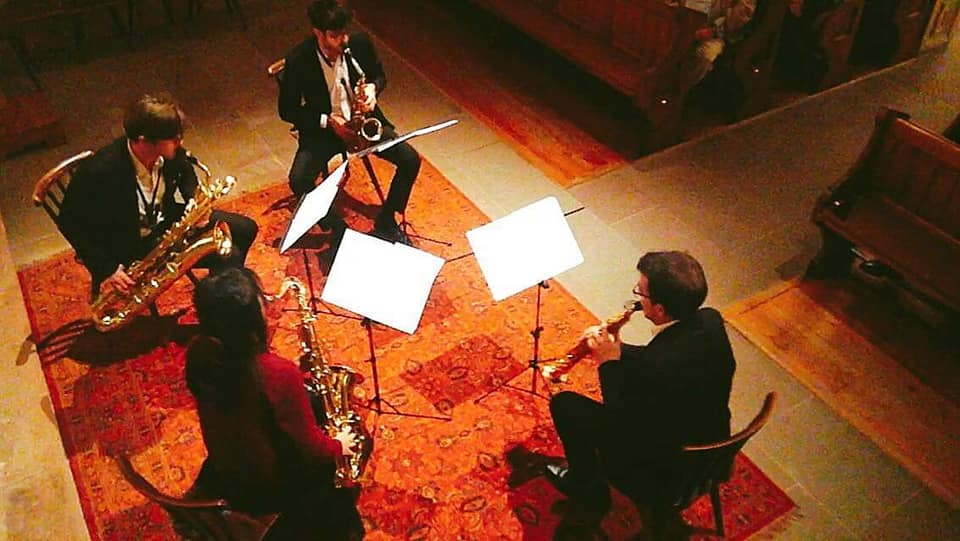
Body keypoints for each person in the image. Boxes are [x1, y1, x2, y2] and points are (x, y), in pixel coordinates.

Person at [545, 251, 736, 514]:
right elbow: (660, 356)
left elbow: (618, 416)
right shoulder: (710, 319)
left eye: (641, 292)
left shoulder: (658, 369)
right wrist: (619, 350)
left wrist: (608, 362)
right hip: (712, 450)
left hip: (661, 471)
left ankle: (582, 482)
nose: (637, 296)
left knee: (565, 404)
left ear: (659, 309)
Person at [185, 267, 364, 540]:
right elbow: (310, 448)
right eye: (261, 303)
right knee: (351, 440)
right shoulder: (276, 373)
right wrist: (339, 444)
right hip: (271, 489)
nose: (267, 305)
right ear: (250, 325)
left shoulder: (200, 354)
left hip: (230, 467)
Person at [58, 93, 258, 299]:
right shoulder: (99, 171)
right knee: (228, 255)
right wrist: (106, 268)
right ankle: (223, 301)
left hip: (167, 223)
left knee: (246, 229)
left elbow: (186, 174)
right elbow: (68, 221)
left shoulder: (169, 152)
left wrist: (193, 200)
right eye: (173, 139)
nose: (180, 142)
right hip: (130, 243)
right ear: (143, 141)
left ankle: (222, 291)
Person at [279, 0, 422, 249]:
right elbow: (287, 110)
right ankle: (336, 228)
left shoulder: (358, 43)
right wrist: (327, 120)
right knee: (299, 179)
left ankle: (388, 218)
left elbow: (379, 75)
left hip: (362, 122)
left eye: (344, 33)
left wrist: (373, 89)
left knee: (410, 159)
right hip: (326, 131)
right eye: (334, 36)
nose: (343, 41)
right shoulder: (299, 58)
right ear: (318, 33)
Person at [681, 0, 757, 92]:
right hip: (686, 16)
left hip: (716, 36)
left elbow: (737, 25)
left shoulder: (748, 5)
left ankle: (680, 89)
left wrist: (713, 31)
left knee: (708, 55)